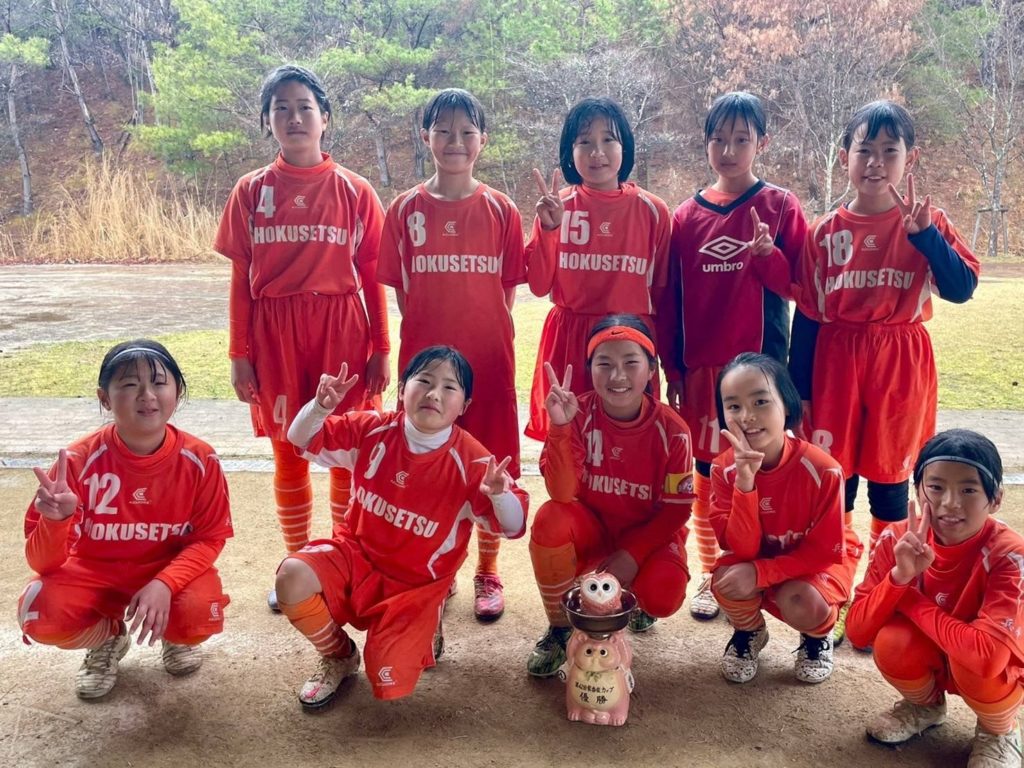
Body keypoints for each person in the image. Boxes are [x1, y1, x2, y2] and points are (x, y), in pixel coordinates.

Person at [213, 64, 390, 611]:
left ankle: (342, 561)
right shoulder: (251, 192)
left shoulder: (355, 191)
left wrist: (382, 349)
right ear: (267, 121)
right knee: (289, 450)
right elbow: (240, 280)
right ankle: (296, 565)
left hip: (341, 329)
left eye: (304, 107)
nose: (294, 117)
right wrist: (239, 354)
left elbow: (372, 276)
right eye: (281, 108)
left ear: (325, 117)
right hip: (276, 333)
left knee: (345, 448)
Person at [276, 346, 529, 710]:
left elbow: (515, 526)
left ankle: (430, 614)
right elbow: (300, 439)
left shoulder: (473, 461)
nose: (434, 394)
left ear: (465, 406)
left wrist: (500, 495)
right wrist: (319, 407)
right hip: (356, 556)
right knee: (292, 577)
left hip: (415, 584)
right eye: (423, 381)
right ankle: (338, 655)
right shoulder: (372, 429)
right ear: (401, 389)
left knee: (387, 677)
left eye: (449, 387)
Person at [790, 100, 980, 567]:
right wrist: (800, 392)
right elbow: (809, 315)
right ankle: (834, 579)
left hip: (900, 360)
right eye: (865, 150)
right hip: (836, 360)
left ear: (910, 158)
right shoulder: (823, 232)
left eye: (889, 151)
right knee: (836, 478)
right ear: (844, 157)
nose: (875, 162)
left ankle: (884, 581)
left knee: (891, 481)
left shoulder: (928, 222)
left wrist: (926, 237)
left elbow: (962, 288)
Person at [657, 91, 808, 621]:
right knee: (708, 471)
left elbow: (800, 287)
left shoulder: (781, 207)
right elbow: (671, 299)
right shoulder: (683, 217)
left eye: (741, 139)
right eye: (718, 139)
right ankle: (711, 570)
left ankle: (768, 573)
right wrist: (674, 368)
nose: (728, 150)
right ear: (705, 143)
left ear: (762, 143)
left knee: (765, 471)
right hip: (704, 369)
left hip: (761, 371)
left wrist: (768, 257)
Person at [378, 88, 526, 622]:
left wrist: (477, 335)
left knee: (489, 464)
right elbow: (404, 295)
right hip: (426, 369)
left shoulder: (502, 209)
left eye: (467, 132)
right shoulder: (404, 209)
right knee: (428, 466)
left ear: (483, 140)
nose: (455, 141)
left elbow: (506, 294)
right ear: (426, 137)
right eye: (443, 130)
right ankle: (437, 569)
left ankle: (488, 570)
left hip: (487, 362)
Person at [17, 340, 232, 700]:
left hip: (165, 571)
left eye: (159, 383)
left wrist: (165, 584)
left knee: (198, 615)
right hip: (94, 574)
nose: (147, 395)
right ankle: (109, 637)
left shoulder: (200, 459)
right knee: (38, 612)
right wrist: (56, 520)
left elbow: (209, 538)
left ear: (178, 392)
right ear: (104, 398)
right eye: (130, 384)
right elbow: (42, 564)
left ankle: (174, 634)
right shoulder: (77, 461)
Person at [526, 314, 694, 677]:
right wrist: (560, 427)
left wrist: (632, 555)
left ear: (651, 369)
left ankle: (638, 600)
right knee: (550, 518)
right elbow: (562, 493)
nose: (617, 375)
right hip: (594, 531)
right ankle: (560, 627)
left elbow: (677, 510)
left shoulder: (673, 430)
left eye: (631, 363)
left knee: (663, 594)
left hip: (647, 535)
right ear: (590, 370)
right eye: (604, 364)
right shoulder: (575, 413)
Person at [847, 430, 1023, 767]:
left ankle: (999, 731)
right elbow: (857, 632)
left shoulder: (1010, 555)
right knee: (893, 642)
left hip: (989, 668)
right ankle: (925, 707)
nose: (950, 503)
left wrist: (908, 598)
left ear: (996, 498)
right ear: (917, 490)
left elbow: (987, 658)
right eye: (936, 487)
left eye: (968, 490)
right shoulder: (898, 538)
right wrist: (899, 577)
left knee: (975, 664)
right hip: (936, 649)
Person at [708, 353, 861, 684]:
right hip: (762, 554)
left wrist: (761, 573)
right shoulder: (723, 469)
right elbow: (742, 550)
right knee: (725, 580)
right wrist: (745, 483)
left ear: (787, 406)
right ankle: (750, 632)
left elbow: (822, 553)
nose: (747, 416)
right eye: (733, 406)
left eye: (760, 401)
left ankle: (817, 636)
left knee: (803, 601)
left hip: (816, 563)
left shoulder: (824, 470)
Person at [525, 97, 670, 442]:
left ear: (625, 146)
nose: (597, 152)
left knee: (631, 441)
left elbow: (663, 294)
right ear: (570, 151)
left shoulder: (653, 210)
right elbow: (538, 285)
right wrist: (550, 230)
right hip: (570, 338)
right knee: (567, 438)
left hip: (630, 341)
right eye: (584, 142)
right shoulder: (557, 207)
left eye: (608, 139)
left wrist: (670, 366)